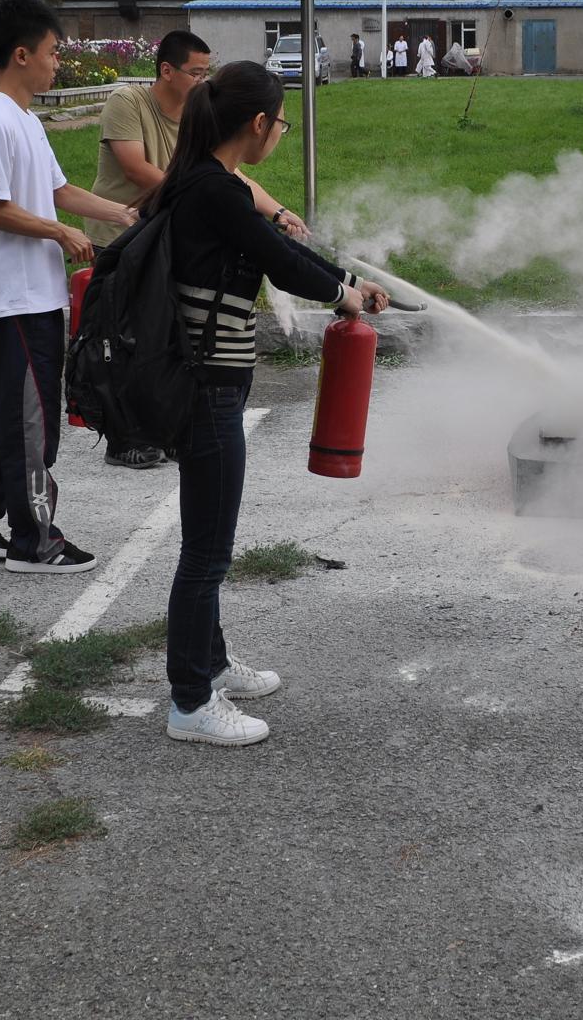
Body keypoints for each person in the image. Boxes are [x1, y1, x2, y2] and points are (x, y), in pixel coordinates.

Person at [152, 61, 388, 747]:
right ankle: (190, 703)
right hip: (207, 390)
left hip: (212, 385)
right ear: (258, 124)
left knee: (207, 545)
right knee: (206, 553)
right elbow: (279, 261)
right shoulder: (214, 190)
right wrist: (345, 294)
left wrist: (346, 281)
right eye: (281, 123)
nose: (281, 132)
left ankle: (211, 665)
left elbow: (277, 248)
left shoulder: (207, 183)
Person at [0, 0, 137, 574]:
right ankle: (35, 541)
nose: (57, 63)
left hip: (36, 295)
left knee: (8, 412)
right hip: (14, 298)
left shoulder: (24, 120)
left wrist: (125, 215)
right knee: (32, 421)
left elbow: (58, 191)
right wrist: (59, 232)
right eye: (52, 52)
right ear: (21, 55)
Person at [85, 29, 308, 470]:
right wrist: (203, 195)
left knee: (168, 340)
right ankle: (124, 437)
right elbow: (136, 169)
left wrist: (278, 211)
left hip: (170, 241)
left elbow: (231, 176)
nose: (204, 81)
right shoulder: (129, 103)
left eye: (208, 72)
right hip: (123, 237)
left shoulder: (199, 116)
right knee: (128, 340)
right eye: (196, 72)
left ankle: (167, 424)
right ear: (166, 70)